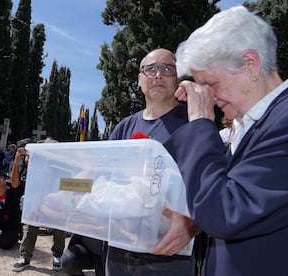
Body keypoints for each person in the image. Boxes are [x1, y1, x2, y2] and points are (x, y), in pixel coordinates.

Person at [160, 6, 288, 276]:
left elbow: (226, 212)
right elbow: (251, 202)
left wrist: (199, 122)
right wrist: (193, 222)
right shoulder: (258, 122)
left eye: (211, 83)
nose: (209, 98)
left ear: (250, 65)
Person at [61, 49, 200, 276]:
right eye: (150, 69)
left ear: (178, 78)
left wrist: (191, 227)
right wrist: (66, 189)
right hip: (119, 248)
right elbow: (97, 174)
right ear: (139, 80)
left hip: (169, 253)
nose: (158, 75)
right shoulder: (124, 127)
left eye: (167, 69)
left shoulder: (194, 125)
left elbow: (208, 187)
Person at [12, 138, 66, 272]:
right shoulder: (25, 165)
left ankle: (57, 255)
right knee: (31, 226)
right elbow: (14, 184)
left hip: (54, 200)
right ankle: (25, 256)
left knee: (59, 226)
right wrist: (17, 161)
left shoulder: (56, 164)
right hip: (35, 200)